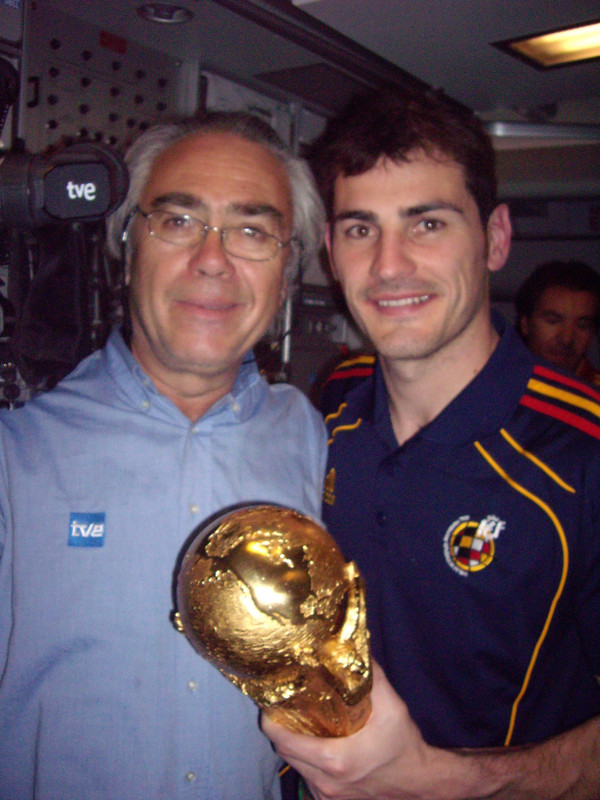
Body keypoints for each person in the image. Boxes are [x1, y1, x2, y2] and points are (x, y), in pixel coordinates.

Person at [262, 87, 600, 799]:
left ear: (496, 239)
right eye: (360, 229)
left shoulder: (581, 456)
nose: (389, 265)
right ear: (330, 251)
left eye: (427, 223)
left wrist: (452, 783)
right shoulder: (330, 412)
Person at [0, 111, 328, 799]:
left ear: (288, 268)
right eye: (178, 222)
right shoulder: (18, 449)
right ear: (127, 244)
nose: (213, 258)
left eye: (252, 230)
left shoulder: (310, 436)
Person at [515, 259, 600, 383]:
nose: (567, 339)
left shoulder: (595, 394)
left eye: (582, 326)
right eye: (553, 321)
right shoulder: (495, 384)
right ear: (525, 324)